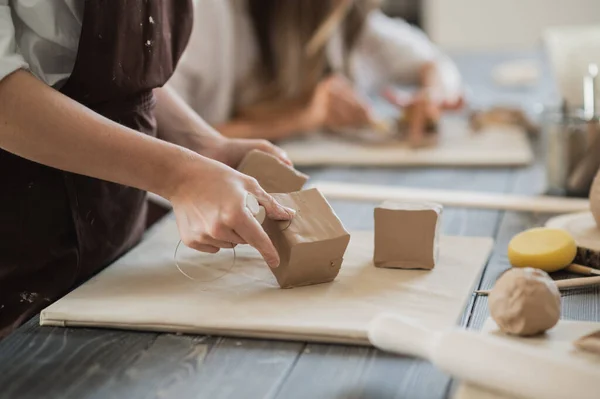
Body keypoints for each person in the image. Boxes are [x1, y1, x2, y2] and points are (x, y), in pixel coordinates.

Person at [0, 0, 294, 338]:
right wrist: (179, 176)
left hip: (113, 250)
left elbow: (114, 67)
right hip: (19, 253)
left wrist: (200, 144)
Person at [169, 0, 464, 145]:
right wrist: (303, 117)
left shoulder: (340, 17)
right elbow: (167, 142)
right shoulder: (208, 16)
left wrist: (433, 95)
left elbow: (431, 59)